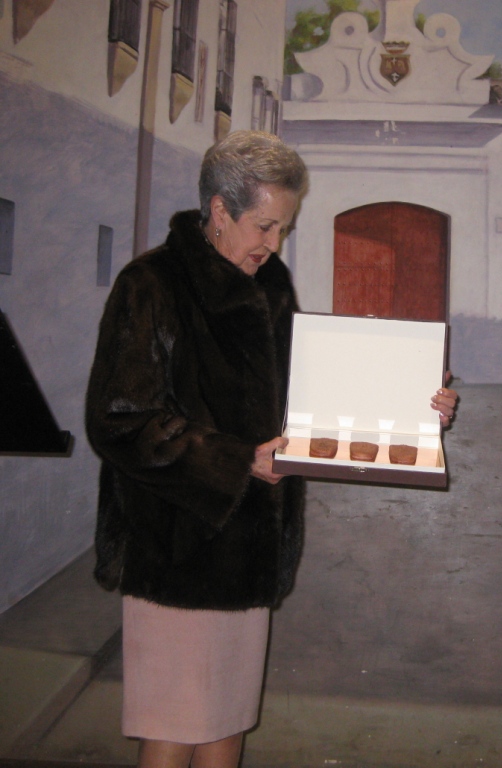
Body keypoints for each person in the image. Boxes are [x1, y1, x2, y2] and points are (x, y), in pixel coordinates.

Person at [86, 130, 457, 768]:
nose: (273, 244)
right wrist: (236, 461)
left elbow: (302, 395)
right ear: (219, 210)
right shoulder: (152, 283)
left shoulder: (270, 284)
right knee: (172, 726)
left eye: (283, 229)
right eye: (264, 226)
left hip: (249, 542)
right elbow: (119, 420)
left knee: (227, 723)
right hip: (175, 546)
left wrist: (412, 403)